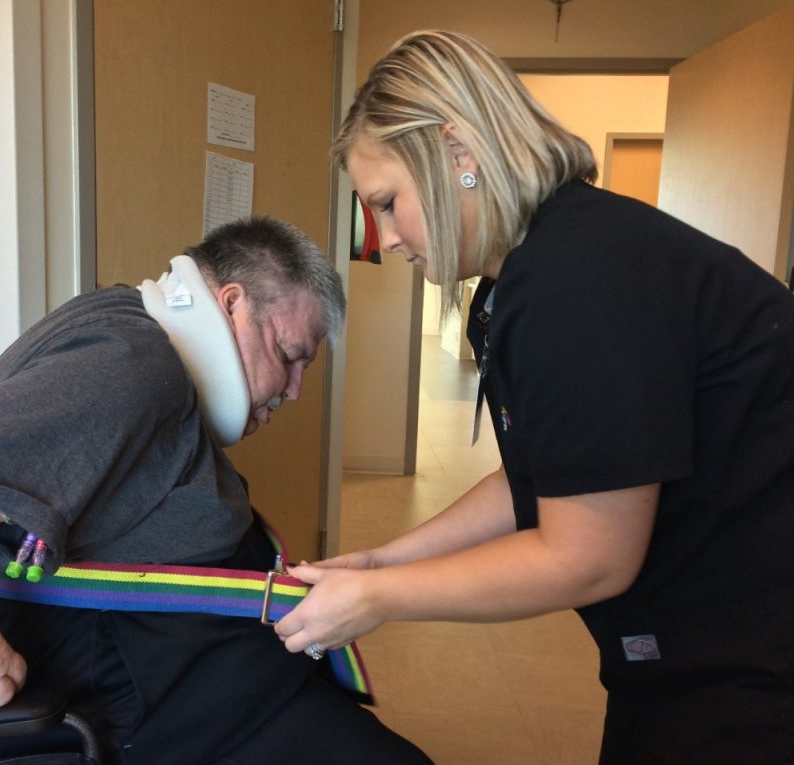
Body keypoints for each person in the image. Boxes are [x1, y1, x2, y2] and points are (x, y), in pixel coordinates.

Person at [275, 30, 794, 764]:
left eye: (388, 204)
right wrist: (383, 563)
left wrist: (383, 600)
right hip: (683, 652)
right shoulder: (519, 280)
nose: (385, 239)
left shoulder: (580, 279)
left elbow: (590, 556)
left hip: (756, 659)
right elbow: (540, 475)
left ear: (458, 153)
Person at [0, 216, 432, 765]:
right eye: (288, 356)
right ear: (232, 302)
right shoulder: (132, 365)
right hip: (149, 701)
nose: (294, 389)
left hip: (202, 678)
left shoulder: (128, 318)